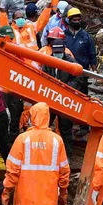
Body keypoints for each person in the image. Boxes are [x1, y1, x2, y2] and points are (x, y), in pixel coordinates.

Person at [40, 26, 75, 156]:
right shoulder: (48, 61)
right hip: (50, 98)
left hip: (65, 100)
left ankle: (67, 155)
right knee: (45, 125)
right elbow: (43, 77)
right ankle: (45, 153)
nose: (58, 54)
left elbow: (78, 78)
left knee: (65, 128)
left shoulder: (70, 60)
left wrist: (66, 87)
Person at [64, 7, 97, 94]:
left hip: (82, 72)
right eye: (74, 20)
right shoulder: (63, 36)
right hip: (67, 73)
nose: (76, 22)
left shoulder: (86, 37)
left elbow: (92, 54)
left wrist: (95, 71)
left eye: (78, 20)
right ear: (69, 20)